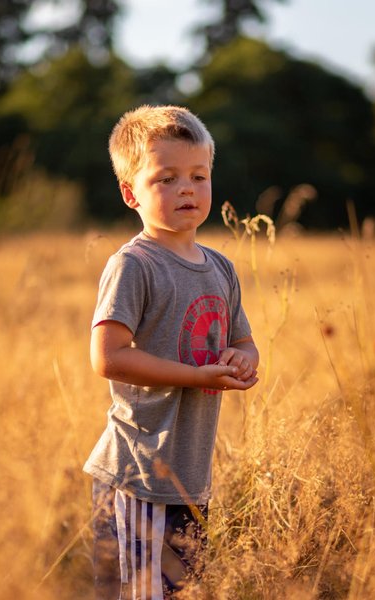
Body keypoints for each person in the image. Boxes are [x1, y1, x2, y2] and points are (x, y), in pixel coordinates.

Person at [84, 105, 259, 599]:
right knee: (139, 593)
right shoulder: (134, 265)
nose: (187, 189)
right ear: (130, 193)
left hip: (190, 475)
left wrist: (244, 361)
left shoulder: (220, 268)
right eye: (166, 178)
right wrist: (197, 376)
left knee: (182, 592)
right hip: (139, 471)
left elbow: (243, 341)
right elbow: (108, 357)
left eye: (198, 176)